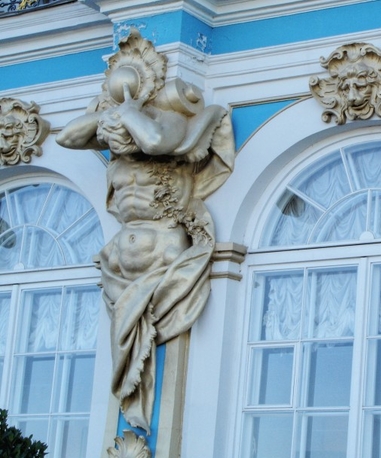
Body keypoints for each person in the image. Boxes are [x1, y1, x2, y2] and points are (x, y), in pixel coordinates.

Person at [57, 29, 235, 433]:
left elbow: (154, 141)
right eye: (110, 137)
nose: (113, 141)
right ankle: (132, 409)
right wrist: (109, 116)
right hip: (121, 267)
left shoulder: (166, 124)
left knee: (145, 357)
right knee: (125, 355)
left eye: (120, 133)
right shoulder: (117, 141)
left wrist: (130, 114)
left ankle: (138, 414)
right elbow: (67, 137)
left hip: (164, 253)